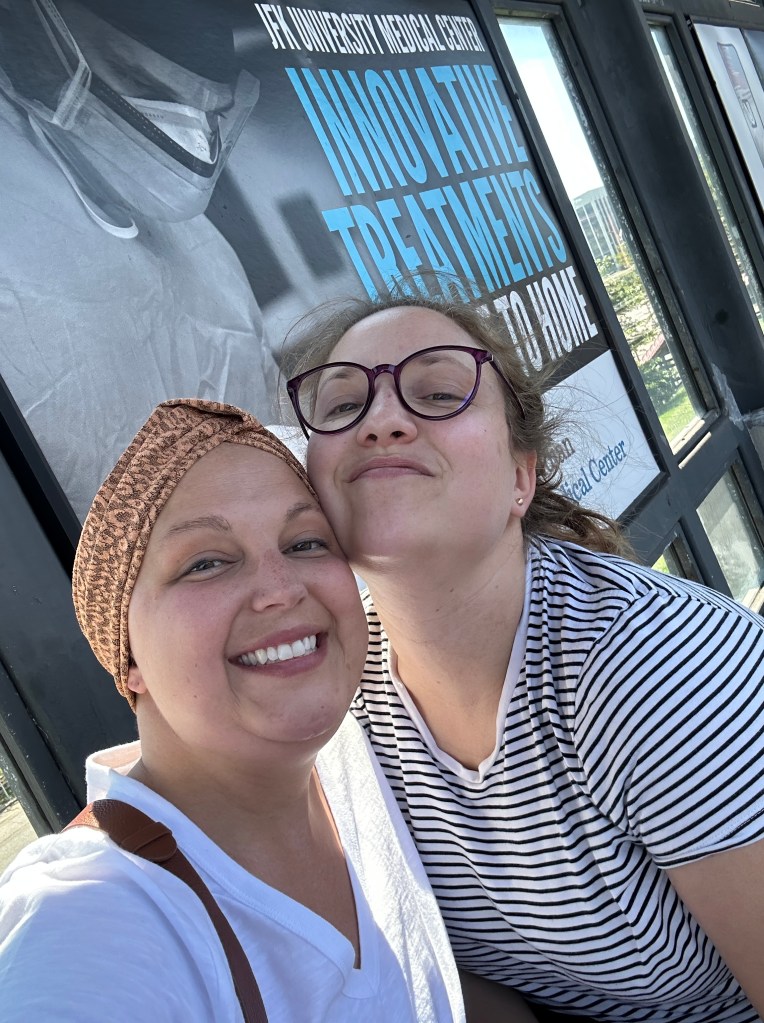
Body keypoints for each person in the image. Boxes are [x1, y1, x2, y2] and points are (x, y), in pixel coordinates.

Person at [285, 293, 764, 1023]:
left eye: (438, 393)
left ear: (521, 477)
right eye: (344, 405)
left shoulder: (655, 668)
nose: (381, 420)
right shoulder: (339, 696)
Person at [0, 398, 479, 1022]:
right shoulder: (89, 920)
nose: (281, 588)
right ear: (128, 655)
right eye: (206, 563)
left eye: (306, 542)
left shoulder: (360, 751)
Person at [0, 0, 278, 520]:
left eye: (211, 110)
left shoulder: (206, 252)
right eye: (142, 83)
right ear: (38, 34)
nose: (191, 135)